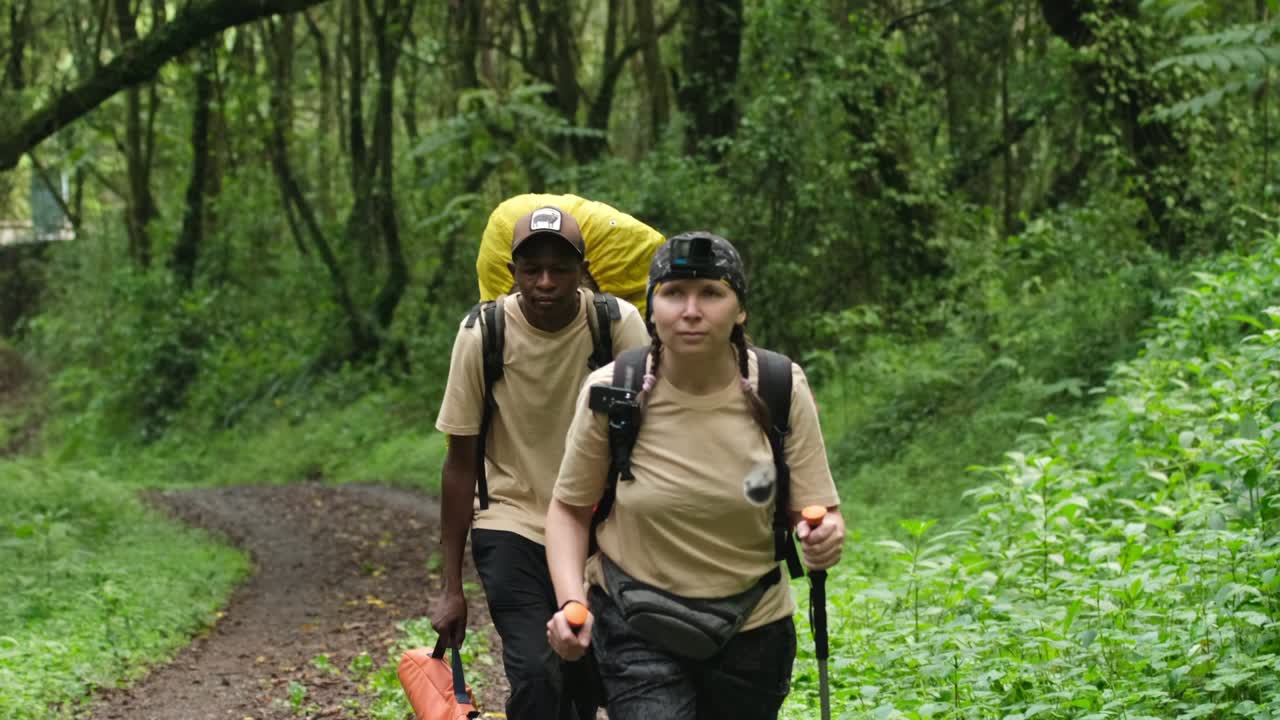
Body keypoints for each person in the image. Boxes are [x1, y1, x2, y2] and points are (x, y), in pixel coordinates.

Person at [544, 231, 845, 720]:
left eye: (710, 293)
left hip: (753, 628)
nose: (690, 310)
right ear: (651, 308)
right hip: (635, 620)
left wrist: (825, 534)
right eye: (673, 293)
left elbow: (816, 511)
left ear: (740, 310)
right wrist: (570, 603)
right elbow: (569, 510)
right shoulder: (615, 390)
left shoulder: (779, 387)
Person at [431, 205, 651, 720]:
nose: (545, 282)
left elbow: (656, 428)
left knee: (593, 674)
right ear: (513, 273)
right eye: (532, 270)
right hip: (511, 522)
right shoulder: (483, 333)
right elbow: (460, 463)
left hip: (599, 525)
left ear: (583, 271)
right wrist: (450, 589)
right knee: (535, 673)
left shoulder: (616, 324)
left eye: (560, 269)